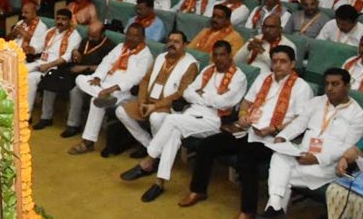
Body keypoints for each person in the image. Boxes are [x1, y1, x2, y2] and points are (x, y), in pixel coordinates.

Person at [180, 46, 313, 219]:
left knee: (246, 155)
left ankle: (247, 211)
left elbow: (300, 119)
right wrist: (243, 115)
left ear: (293, 64)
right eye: (275, 61)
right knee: (209, 144)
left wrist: (275, 128)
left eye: (283, 61)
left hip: (274, 139)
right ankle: (198, 190)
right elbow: (246, 103)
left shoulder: (301, 87)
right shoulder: (264, 79)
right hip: (249, 131)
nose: (278, 65)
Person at [120, 41, 247, 203]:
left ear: (230, 56)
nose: (219, 58)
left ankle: (149, 161)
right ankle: (159, 182)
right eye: (215, 54)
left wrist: (202, 96)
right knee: (173, 133)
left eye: (223, 55)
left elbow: (225, 103)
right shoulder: (208, 70)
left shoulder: (239, 77)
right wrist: (205, 97)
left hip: (215, 120)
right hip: (192, 113)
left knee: (172, 120)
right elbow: (187, 92)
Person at [261, 68, 363, 218]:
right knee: (279, 155)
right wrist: (283, 137)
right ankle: (275, 207)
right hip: (301, 153)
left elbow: (347, 148)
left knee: (281, 177)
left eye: (335, 84)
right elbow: (299, 123)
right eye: (327, 84)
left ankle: (274, 208)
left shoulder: (358, 116)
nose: (330, 88)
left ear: (347, 86)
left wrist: (317, 158)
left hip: (326, 165)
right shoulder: (317, 102)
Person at [69, 23, 153, 155]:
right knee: (80, 79)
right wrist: (97, 77)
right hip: (102, 86)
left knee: (97, 102)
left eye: (135, 36)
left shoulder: (145, 55)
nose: (131, 38)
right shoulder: (120, 47)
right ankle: (103, 96)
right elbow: (105, 62)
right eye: (129, 34)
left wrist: (112, 88)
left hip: (121, 92)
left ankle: (88, 142)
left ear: (143, 37)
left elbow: (136, 78)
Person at [116, 31, 199, 158]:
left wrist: (155, 106)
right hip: (148, 101)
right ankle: (149, 145)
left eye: (176, 42)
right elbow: (145, 80)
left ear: (185, 45)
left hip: (169, 106)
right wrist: (141, 101)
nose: (172, 44)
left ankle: (158, 157)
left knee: (155, 117)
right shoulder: (161, 57)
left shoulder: (190, 64)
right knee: (121, 111)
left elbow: (181, 92)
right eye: (170, 41)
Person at [38, 22, 114, 138]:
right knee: (51, 78)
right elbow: (76, 52)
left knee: (75, 91)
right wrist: (74, 51)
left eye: (94, 36)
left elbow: (107, 67)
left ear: (102, 34)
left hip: (92, 76)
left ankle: (73, 125)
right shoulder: (85, 41)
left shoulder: (109, 46)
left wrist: (85, 67)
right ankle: (46, 117)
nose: (90, 38)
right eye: (89, 35)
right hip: (75, 70)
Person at [25, 9, 82, 119]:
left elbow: (67, 57)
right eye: (58, 19)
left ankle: (28, 115)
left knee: (30, 78)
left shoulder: (74, 36)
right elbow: (40, 46)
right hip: (41, 63)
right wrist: (31, 49)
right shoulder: (51, 31)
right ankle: (24, 112)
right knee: (20, 71)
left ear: (70, 21)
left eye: (64, 19)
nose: (60, 22)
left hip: (57, 67)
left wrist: (48, 65)